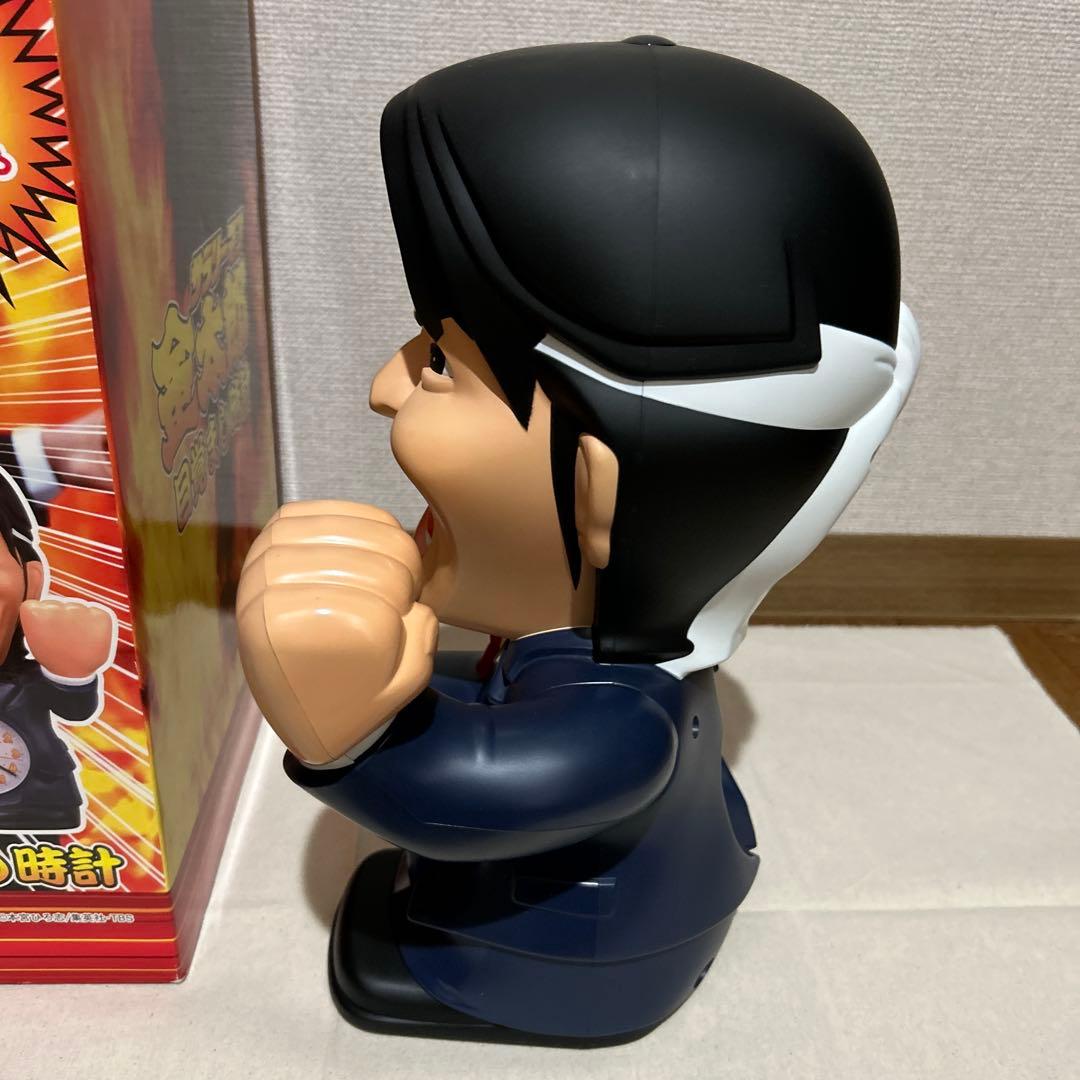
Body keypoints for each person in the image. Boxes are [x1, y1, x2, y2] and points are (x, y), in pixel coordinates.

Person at [237, 37, 920, 1043]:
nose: (385, 387)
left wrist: (346, 730)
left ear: (601, 491)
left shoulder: (621, 725)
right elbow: (503, 709)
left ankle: (482, 991)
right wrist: (398, 680)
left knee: (457, 949)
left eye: (440, 364)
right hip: (583, 916)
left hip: (564, 961)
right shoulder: (581, 653)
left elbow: (469, 798)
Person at [0, 467, 116, 833]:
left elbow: (76, 708)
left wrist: (71, 671)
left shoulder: (28, 682)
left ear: (30, 581)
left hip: (39, 810)